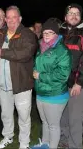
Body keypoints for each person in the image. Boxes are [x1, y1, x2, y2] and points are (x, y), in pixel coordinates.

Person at [0, 5, 38, 149]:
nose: (11, 20)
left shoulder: (27, 34)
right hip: (2, 84)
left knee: (24, 116)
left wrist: (2, 53)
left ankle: (24, 143)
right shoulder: (0, 32)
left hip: (21, 84)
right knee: (6, 114)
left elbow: (25, 54)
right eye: (8, 17)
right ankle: (8, 136)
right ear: (5, 19)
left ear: (20, 18)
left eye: (14, 17)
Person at [30, 18, 72, 149]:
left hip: (55, 94)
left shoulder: (62, 50)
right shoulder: (41, 46)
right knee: (45, 122)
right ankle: (44, 145)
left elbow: (63, 75)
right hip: (41, 91)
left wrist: (40, 76)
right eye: (45, 32)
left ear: (56, 34)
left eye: (50, 32)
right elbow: (38, 65)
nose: (46, 35)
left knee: (53, 125)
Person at [59, 3, 83, 148]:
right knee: (63, 115)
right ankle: (63, 141)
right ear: (65, 16)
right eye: (71, 13)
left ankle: (75, 145)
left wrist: (79, 82)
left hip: (77, 84)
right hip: (61, 83)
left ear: (80, 17)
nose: (73, 16)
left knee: (75, 118)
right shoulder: (61, 31)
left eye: (77, 13)